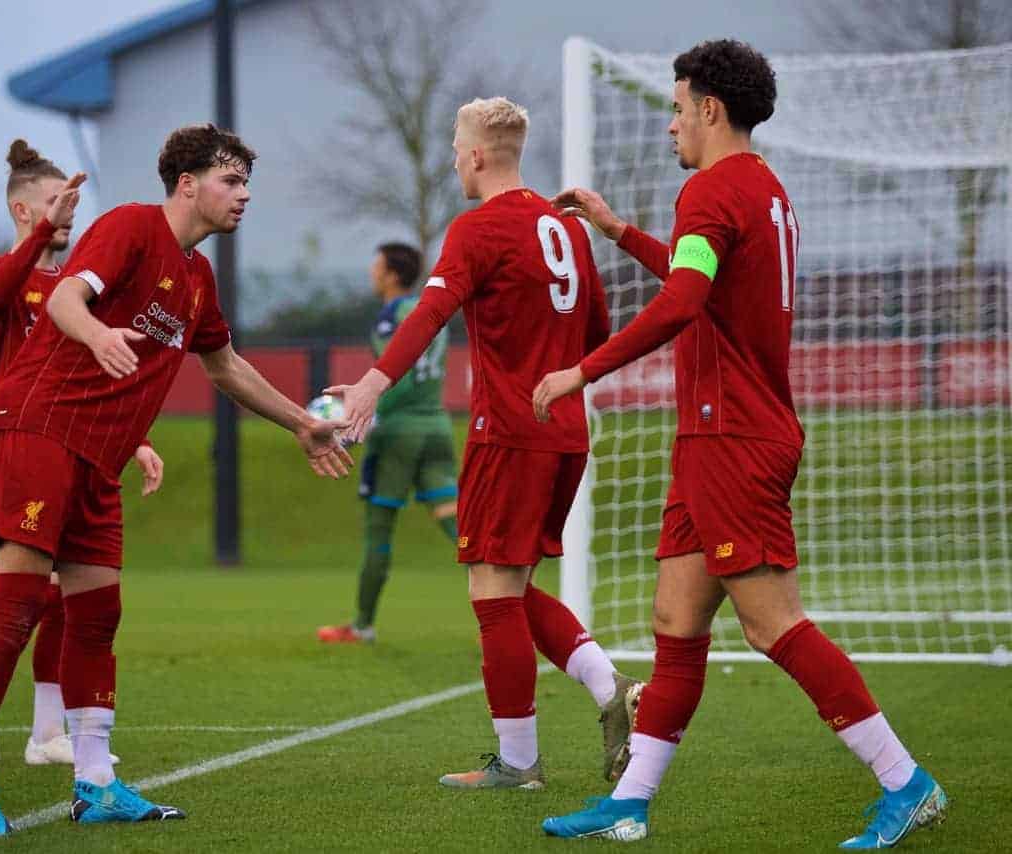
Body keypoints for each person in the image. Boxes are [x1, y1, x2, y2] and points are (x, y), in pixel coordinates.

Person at [533, 40, 946, 848]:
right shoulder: (758, 189)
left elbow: (684, 304)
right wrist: (620, 231)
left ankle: (908, 781)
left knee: (771, 625)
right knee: (676, 621)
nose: (671, 125)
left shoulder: (714, 190)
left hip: (736, 439)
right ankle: (631, 801)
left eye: (678, 108)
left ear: (710, 110)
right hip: (712, 438)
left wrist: (581, 371)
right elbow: (701, 286)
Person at [0, 123, 351, 836]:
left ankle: (95, 784)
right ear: (188, 184)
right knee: (20, 599)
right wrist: (98, 336)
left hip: (98, 455)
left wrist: (300, 423)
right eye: (231, 181)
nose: (244, 196)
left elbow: (223, 366)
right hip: (37, 428)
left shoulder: (197, 277)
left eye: (246, 183)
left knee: (98, 616)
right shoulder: (130, 226)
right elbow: (67, 301)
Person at [329, 97, 642, 791]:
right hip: (567, 434)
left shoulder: (478, 229)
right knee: (511, 584)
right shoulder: (566, 231)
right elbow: (597, 332)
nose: (450, 159)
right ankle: (610, 689)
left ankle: (522, 762)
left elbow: (431, 312)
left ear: (474, 155)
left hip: (508, 432)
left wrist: (373, 383)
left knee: (492, 593)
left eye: (453, 146)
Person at [0, 140, 160, 768]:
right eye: (54, 202)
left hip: (73, 444)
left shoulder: (77, 288)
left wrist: (138, 440)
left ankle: (48, 730)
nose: (68, 211)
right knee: (23, 594)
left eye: (70, 203)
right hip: (17, 445)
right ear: (23, 211)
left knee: (64, 595)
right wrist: (45, 233)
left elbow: (96, 369)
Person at [317, 242, 459, 644]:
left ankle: (362, 625)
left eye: (376, 265)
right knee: (456, 524)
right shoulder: (434, 312)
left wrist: (359, 419)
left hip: (398, 432)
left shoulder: (390, 316)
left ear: (393, 274)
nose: (371, 272)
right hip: (436, 427)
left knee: (379, 530)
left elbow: (394, 373)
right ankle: (513, 602)